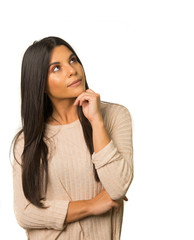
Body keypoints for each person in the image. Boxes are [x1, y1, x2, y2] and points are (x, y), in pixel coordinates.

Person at [12, 36, 134, 240]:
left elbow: (117, 187)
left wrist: (96, 121)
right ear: (40, 83)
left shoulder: (114, 117)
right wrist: (91, 206)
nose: (72, 70)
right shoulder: (27, 140)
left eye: (72, 60)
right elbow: (24, 212)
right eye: (56, 68)